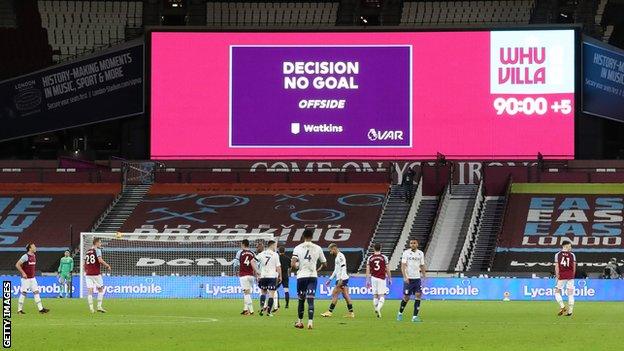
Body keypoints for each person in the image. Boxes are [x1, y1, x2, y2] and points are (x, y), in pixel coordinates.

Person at [291, 229, 327, 329]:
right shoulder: (318, 248)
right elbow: (325, 263)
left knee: (301, 299)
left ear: (303, 236)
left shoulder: (297, 248)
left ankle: (299, 322)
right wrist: (317, 269)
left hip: (302, 276)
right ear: (312, 237)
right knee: (310, 299)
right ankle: (310, 323)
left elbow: (293, 264)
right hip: (313, 276)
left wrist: (298, 267)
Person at [321, 243, 354, 318]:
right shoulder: (337, 257)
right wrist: (330, 279)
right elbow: (336, 270)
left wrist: (341, 279)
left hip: (342, 278)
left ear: (334, 249)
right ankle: (351, 313)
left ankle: (329, 311)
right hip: (341, 278)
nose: (330, 252)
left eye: (330, 251)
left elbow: (343, 267)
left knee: (334, 293)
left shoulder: (340, 256)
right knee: (346, 295)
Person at [15, 243, 49, 314]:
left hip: (32, 278)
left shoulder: (34, 255)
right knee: (24, 293)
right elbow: (17, 265)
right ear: (30, 248)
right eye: (34, 246)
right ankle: (19, 310)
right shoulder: (25, 256)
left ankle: (41, 309)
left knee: (36, 292)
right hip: (26, 279)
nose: (35, 247)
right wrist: (23, 273)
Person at [397, 239, 426, 323]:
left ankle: (414, 317)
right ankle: (400, 313)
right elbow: (402, 266)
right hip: (409, 278)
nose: (412, 244)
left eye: (414, 243)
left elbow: (422, 265)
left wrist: (424, 276)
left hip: (417, 278)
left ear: (417, 244)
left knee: (418, 295)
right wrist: (405, 277)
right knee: (406, 297)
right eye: (411, 243)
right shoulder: (406, 253)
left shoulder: (421, 253)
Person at [84, 237, 112, 313]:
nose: (100, 244)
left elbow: (85, 263)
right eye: (100, 242)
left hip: (88, 274)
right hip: (96, 274)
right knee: (100, 289)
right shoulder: (97, 250)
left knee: (90, 291)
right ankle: (99, 306)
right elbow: (100, 260)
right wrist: (107, 265)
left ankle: (91, 309)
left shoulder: (88, 251)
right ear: (96, 243)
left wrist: (85, 270)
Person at [366, 243, 391, 318]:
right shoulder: (384, 257)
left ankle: (377, 310)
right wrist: (390, 278)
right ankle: (378, 308)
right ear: (381, 248)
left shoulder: (370, 258)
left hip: (373, 278)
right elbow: (387, 269)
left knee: (375, 295)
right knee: (382, 295)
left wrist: (367, 280)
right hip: (381, 278)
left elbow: (368, 269)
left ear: (374, 248)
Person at [256, 240, 281, 317]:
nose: (275, 247)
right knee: (271, 294)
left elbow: (253, 261)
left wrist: (257, 271)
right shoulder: (275, 254)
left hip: (263, 276)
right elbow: (278, 267)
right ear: (272, 245)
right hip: (272, 276)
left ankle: (262, 309)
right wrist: (280, 276)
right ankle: (269, 312)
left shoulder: (262, 254)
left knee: (263, 292)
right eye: (275, 246)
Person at [234, 239, 258, 315]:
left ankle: (251, 311)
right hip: (251, 276)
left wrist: (237, 268)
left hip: (243, 275)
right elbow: (256, 264)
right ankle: (245, 309)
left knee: (246, 293)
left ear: (243, 244)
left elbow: (236, 263)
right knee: (247, 293)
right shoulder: (252, 253)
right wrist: (257, 275)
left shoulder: (240, 252)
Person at [554, 241, 576, 317]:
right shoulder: (572, 255)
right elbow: (574, 267)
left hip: (562, 275)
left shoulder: (557, 255)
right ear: (565, 246)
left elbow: (557, 267)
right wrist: (572, 275)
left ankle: (562, 307)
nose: (571, 247)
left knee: (557, 291)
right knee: (570, 294)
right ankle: (570, 312)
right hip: (570, 276)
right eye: (570, 246)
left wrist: (557, 276)